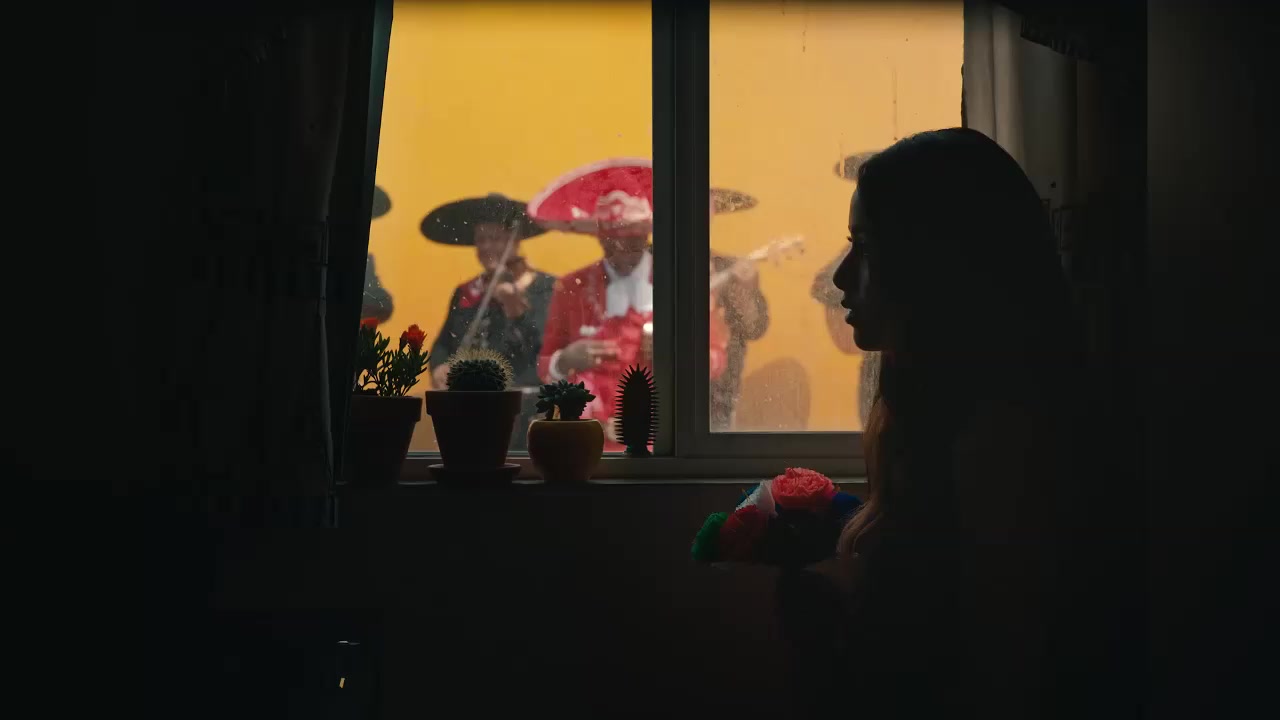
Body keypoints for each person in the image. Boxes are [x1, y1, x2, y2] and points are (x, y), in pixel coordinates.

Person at [777, 128, 1095, 719]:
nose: (840, 278)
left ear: (933, 262)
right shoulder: (927, 413)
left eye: (865, 246)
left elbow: (999, 672)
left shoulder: (1001, 438)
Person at [538, 193, 731, 451]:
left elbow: (717, 360)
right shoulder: (572, 286)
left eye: (631, 242)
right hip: (587, 443)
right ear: (600, 238)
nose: (621, 251)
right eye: (612, 242)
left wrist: (675, 353)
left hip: (663, 441)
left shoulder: (682, 282)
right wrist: (565, 360)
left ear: (646, 236)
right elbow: (544, 365)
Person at [422, 193, 555, 449]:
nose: (485, 247)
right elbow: (444, 343)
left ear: (516, 240)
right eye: (480, 239)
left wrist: (517, 312)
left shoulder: (545, 288)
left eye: (495, 238)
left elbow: (544, 351)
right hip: (469, 406)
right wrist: (439, 367)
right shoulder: (466, 291)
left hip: (522, 412)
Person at [710, 252, 768, 430]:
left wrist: (746, 293)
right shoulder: (653, 259)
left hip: (719, 400)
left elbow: (755, 327)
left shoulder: (730, 268)